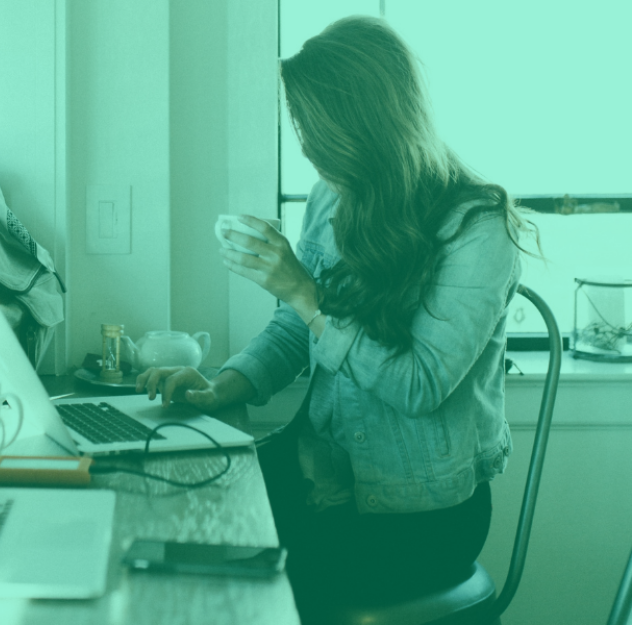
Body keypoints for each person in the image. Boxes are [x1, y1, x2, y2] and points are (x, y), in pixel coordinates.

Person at [136, 15, 538, 617]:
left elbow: (419, 385)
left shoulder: (478, 227)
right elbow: (295, 329)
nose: (304, 143)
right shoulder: (333, 195)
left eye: (312, 126)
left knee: (231, 585)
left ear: (366, 123)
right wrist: (223, 387)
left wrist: (303, 291)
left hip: (420, 515)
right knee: (165, 511)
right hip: (320, 474)